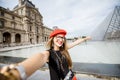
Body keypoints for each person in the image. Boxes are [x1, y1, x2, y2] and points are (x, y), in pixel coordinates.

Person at [0, 28, 91, 80]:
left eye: (63, 38)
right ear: (52, 39)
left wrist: (85, 39)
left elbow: (76, 43)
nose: (61, 39)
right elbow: (40, 57)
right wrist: (17, 71)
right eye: (58, 37)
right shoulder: (48, 53)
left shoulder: (64, 49)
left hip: (72, 78)